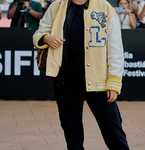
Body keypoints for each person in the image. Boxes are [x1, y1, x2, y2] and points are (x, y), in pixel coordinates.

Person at [33, 0, 130, 149]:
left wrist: (114, 82)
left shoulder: (104, 7)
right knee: (73, 135)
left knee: (113, 131)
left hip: (99, 81)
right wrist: (46, 38)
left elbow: (115, 48)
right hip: (66, 80)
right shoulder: (57, 6)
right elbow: (38, 34)